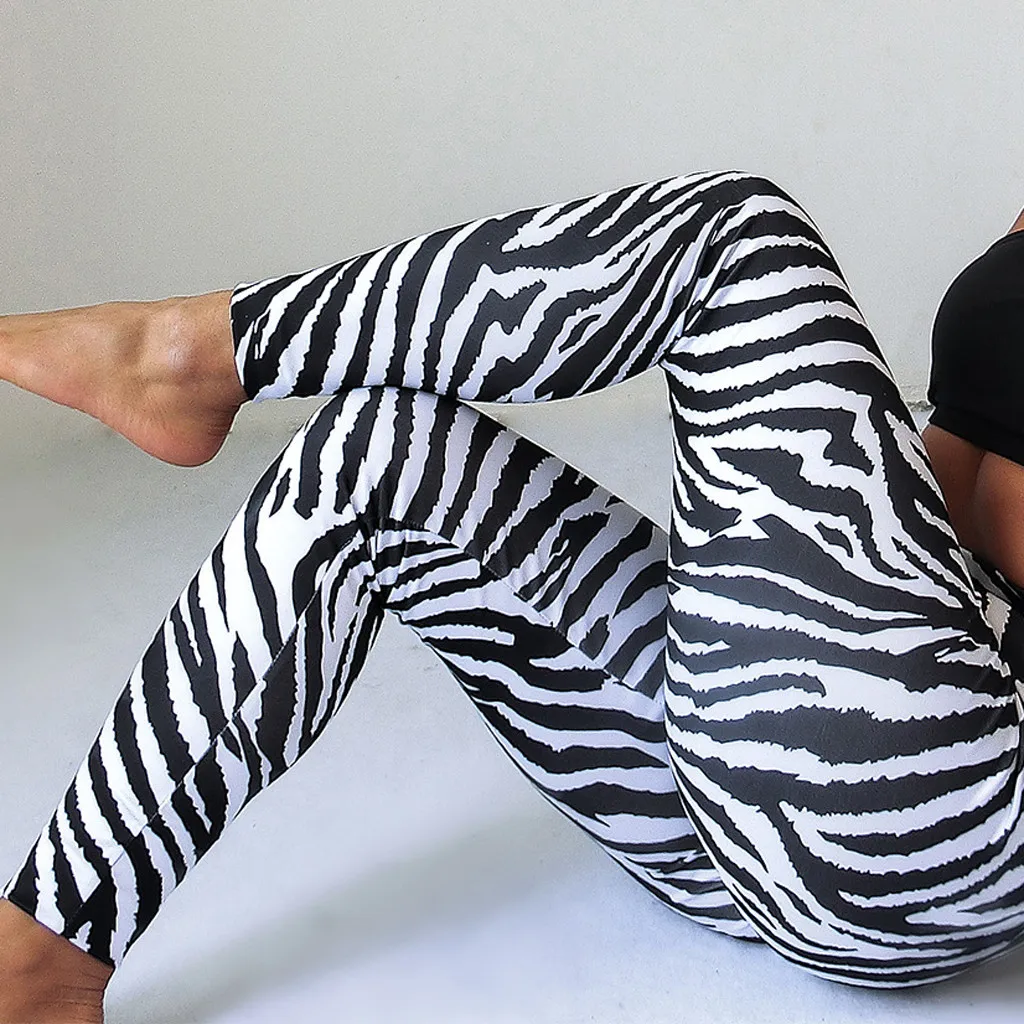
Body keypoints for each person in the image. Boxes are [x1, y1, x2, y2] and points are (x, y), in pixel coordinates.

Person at [1, 170, 1023, 1022]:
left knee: (738, 238)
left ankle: (184, 354)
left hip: (939, 813)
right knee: (377, 452)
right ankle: (42, 958)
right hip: (752, 800)